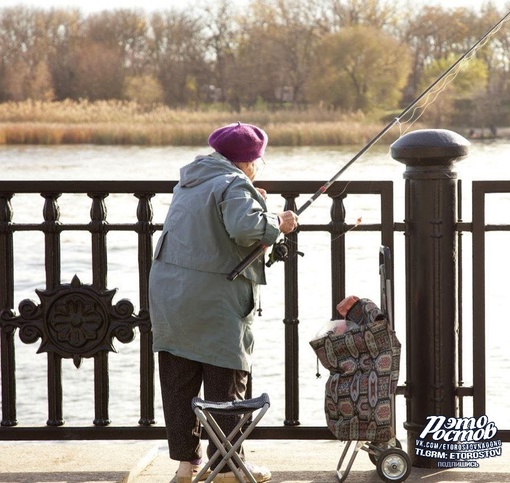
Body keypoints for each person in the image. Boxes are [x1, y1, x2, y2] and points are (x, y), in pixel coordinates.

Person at [149, 122, 298, 483]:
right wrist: (278, 221)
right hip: (215, 300)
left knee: (179, 380)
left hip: (171, 295)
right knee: (224, 380)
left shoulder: (191, 180)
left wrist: (254, 203)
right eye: (259, 160)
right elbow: (246, 230)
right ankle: (227, 466)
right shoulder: (233, 183)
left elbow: (215, 228)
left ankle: (187, 465)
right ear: (248, 161)